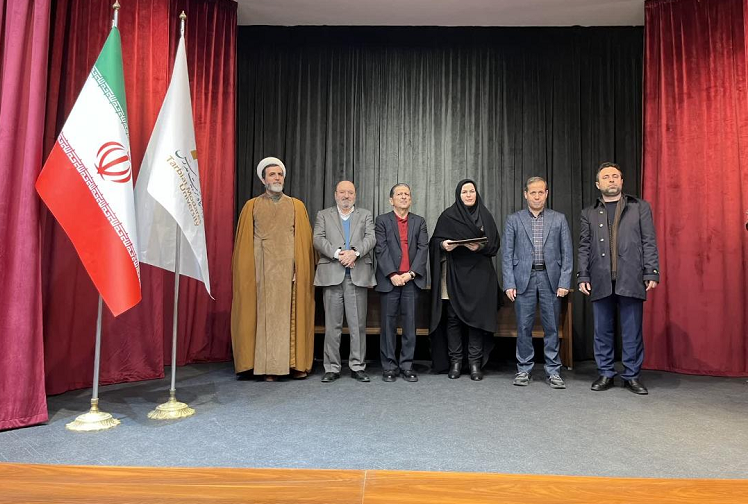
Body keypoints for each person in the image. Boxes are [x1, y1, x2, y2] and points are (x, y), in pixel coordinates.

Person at [578, 162, 660, 395]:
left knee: (632, 330)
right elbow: (584, 246)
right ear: (598, 184)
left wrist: (651, 271)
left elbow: (649, 241)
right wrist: (583, 275)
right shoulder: (588, 213)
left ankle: (631, 375)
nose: (611, 180)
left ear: (622, 181)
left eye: (615, 176)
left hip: (632, 277)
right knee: (602, 330)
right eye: (606, 177)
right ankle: (605, 373)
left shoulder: (640, 207)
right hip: (600, 277)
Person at [231, 157, 316, 381]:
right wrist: (250, 272)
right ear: (263, 180)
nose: (277, 178)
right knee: (264, 318)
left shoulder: (296, 205)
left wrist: (300, 268)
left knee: (289, 316)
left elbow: (304, 242)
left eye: (280, 174)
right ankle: (266, 367)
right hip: (262, 270)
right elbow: (243, 244)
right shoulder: (252, 206)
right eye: (272, 175)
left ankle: (293, 364)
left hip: (289, 271)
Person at [501, 177, 573, 389]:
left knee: (552, 327)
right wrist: (509, 283)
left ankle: (553, 371)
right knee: (524, 327)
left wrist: (564, 281)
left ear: (546, 194)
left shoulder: (559, 219)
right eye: (533, 192)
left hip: (551, 279)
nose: (537, 196)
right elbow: (507, 254)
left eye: (541, 192)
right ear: (525, 194)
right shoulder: (514, 220)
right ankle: (524, 369)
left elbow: (567, 253)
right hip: (524, 279)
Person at [428, 179, 500, 381]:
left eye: (472, 191)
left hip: (480, 276)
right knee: (453, 319)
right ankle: (456, 362)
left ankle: (475, 363)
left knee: (476, 320)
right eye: (464, 192)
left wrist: (480, 247)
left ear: (476, 193)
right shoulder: (448, 216)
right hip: (453, 275)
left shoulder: (485, 215)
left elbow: (495, 244)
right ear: (458, 195)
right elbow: (434, 242)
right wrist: (443, 245)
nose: (469, 195)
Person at [313, 180, 376, 383]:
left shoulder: (365, 215)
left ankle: (357, 366)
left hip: (357, 276)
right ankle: (332, 367)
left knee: (358, 325)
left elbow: (371, 238)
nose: (346, 196)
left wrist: (355, 253)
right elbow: (318, 239)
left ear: (355, 195)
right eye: (342, 192)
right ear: (335, 195)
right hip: (332, 275)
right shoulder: (323, 215)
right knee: (332, 326)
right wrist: (338, 254)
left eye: (350, 192)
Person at [374, 183, 429, 382]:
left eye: (407, 194)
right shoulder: (382, 221)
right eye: (399, 194)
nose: (404, 197)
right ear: (391, 200)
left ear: (411, 199)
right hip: (390, 281)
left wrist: (410, 274)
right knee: (388, 325)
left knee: (410, 325)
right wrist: (392, 274)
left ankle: (407, 365)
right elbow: (380, 249)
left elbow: (423, 249)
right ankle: (389, 367)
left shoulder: (419, 222)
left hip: (411, 280)